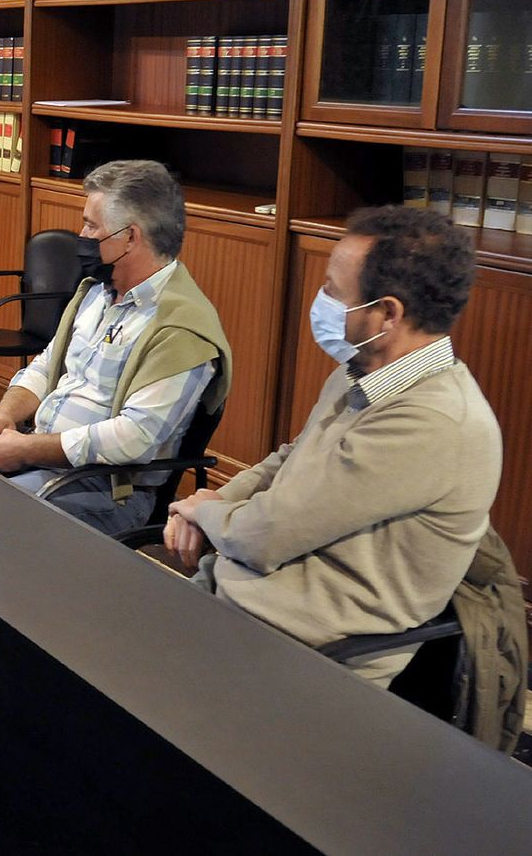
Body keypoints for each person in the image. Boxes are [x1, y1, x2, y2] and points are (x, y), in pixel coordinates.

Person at [165, 206, 500, 685]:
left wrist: (205, 513)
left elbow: (268, 534)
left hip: (307, 657)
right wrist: (211, 499)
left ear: (387, 314)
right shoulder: (362, 370)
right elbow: (289, 458)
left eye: (333, 290)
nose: (321, 300)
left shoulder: (433, 423)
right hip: (238, 600)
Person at [0, 160, 231, 535]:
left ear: (130, 237)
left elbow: (133, 438)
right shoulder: (98, 291)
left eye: (91, 226)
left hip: (108, 488)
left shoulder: (181, 328)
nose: (81, 236)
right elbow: (45, 367)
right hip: (40, 455)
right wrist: (4, 416)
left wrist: (26, 450)